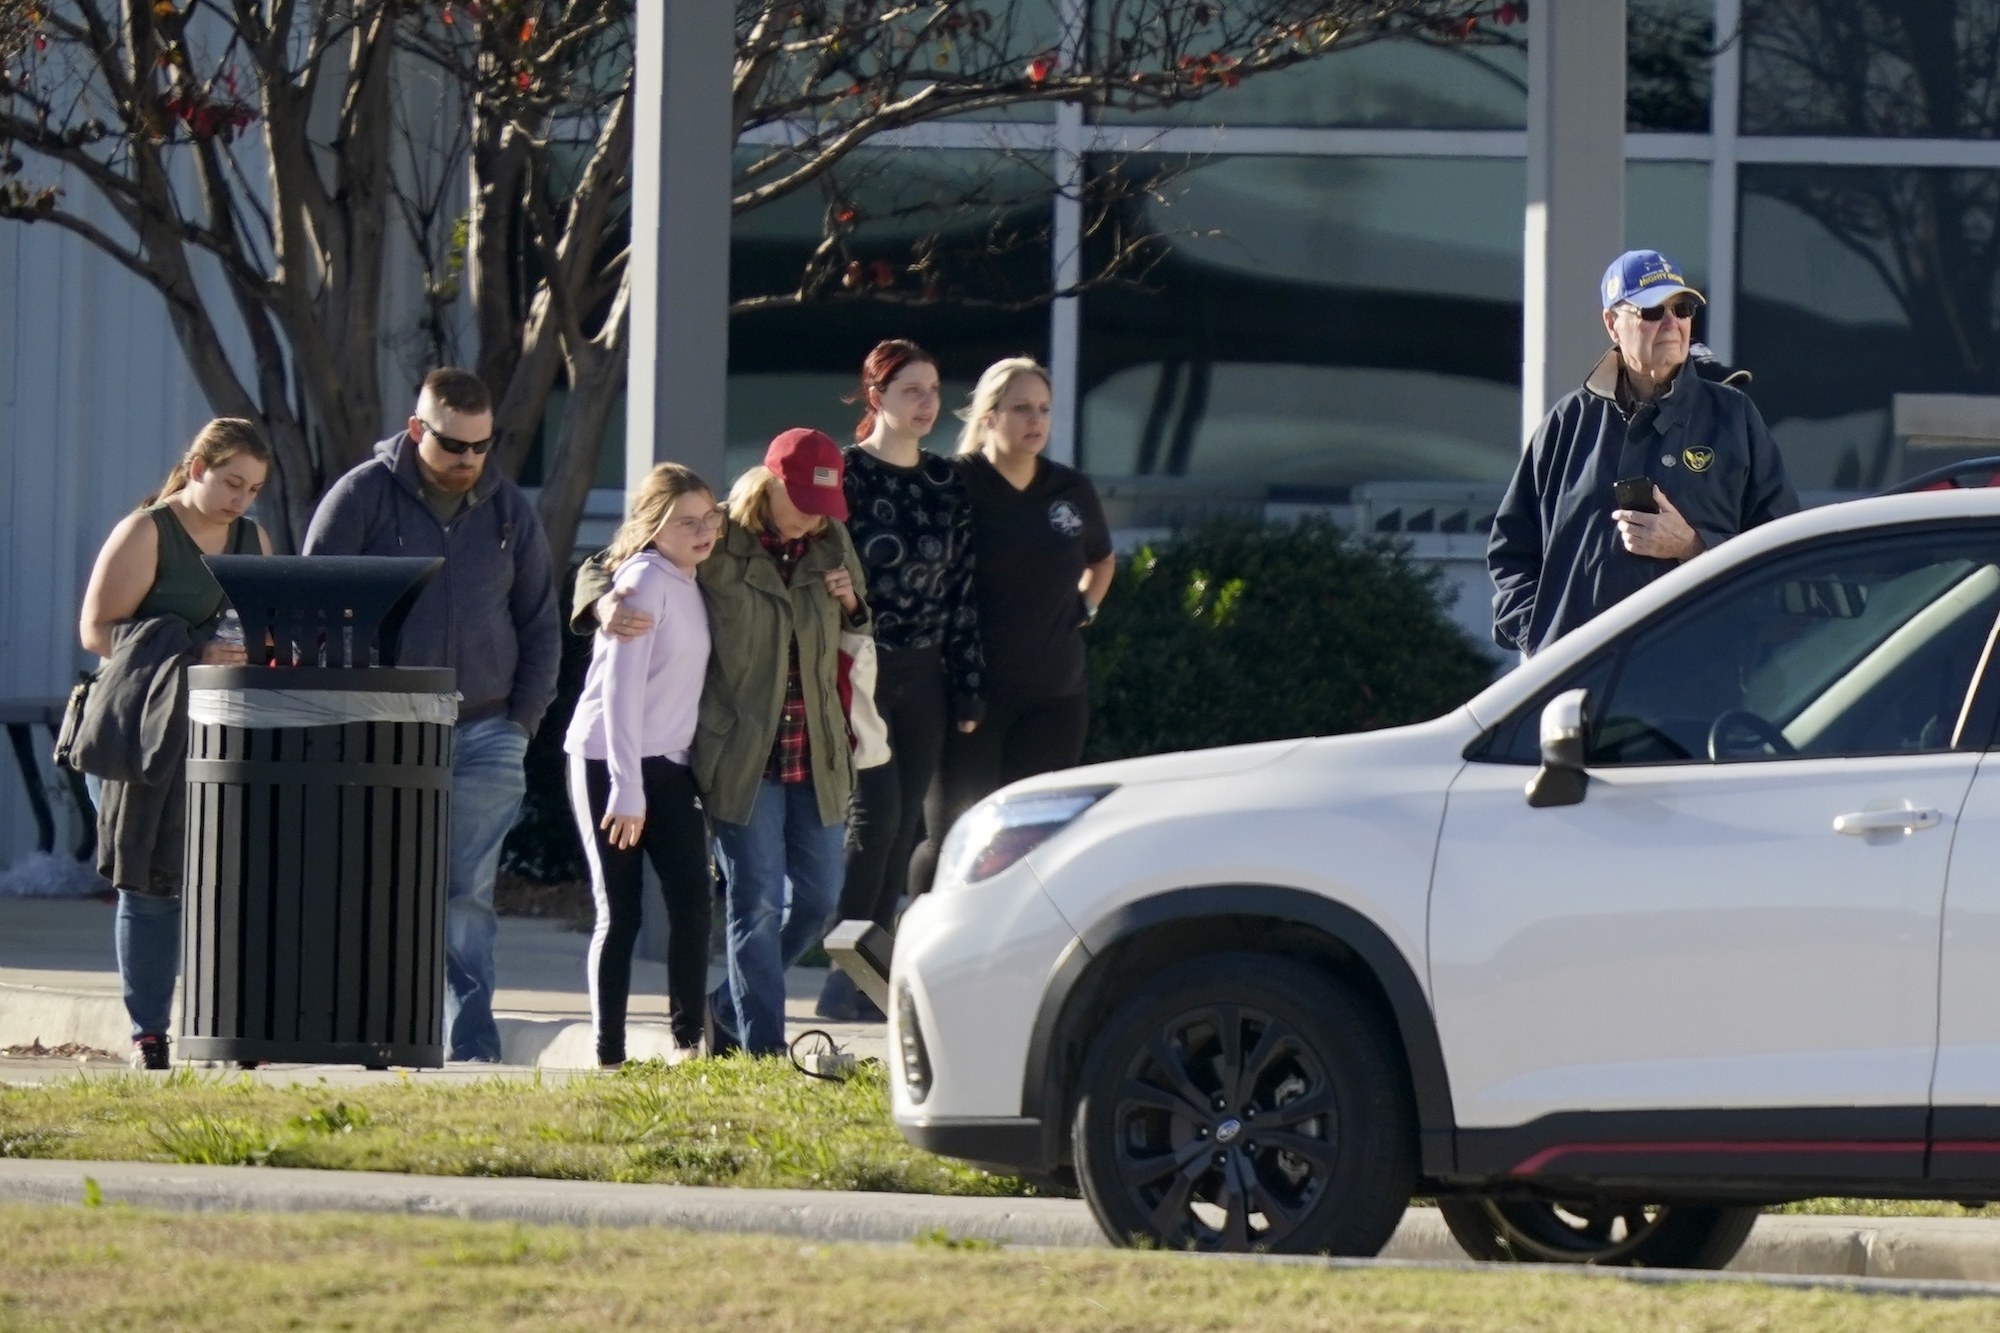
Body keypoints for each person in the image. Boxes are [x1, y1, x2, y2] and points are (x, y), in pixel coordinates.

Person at [575, 429, 871, 1057]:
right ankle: (760, 1049)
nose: (816, 518)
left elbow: (855, 621)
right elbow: (616, 561)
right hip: (741, 755)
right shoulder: (718, 535)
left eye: (827, 505)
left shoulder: (831, 539)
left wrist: (853, 605)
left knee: (818, 901)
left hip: (814, 749)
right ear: (770, 487)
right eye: (804, 503)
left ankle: (723, 1005)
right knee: (756, 902)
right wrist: (601, 605)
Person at [303, 368, 560, 1063]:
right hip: (382, 723)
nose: (469, 460)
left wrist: (520, 722)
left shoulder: (509, 509)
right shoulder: (362, 496)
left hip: (486, 728)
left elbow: (539, 624)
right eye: (454, 445)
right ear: (418, 429)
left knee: (466, 892)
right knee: (378, 882)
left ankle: (468, 1043)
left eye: (483, 446)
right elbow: (310, 610)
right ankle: (373, 1032)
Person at [77, 419, 274, 1069]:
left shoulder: (252, 540)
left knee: (226, 882)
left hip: (221, 726)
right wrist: (190, 649)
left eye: (252, 489)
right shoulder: (147, 531)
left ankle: (227, 1021)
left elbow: (268, 630)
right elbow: (97, 631)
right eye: (230, 482)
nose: (240, 500)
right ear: (196, 468)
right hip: (141, 729)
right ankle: (150, 1031)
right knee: (152, 883)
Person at [1488, 249, 1799, 657]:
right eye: (1652, 311)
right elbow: (1512, 551)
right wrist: (1540, 638)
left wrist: (1693, 545)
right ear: (1612, 324)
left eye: (1682, 308)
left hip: (1697, 685)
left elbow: (1784, 551)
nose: (1672, 323)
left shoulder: (1733, 416)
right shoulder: (1569, 420)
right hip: (1580, 683)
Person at [816, 340, 985, 1022]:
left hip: (924, 670)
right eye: (911, 389)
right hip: (861, 661)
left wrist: (968, 681)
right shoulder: (846, 476)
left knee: (906, 822)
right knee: (875, 817)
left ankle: (869, 975)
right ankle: (844, 972)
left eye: (934, 389)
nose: (927, 402)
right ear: (875, 396)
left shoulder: (948, 482)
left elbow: (964, 590)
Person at [909, 356, 1114, 896]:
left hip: (1056, 698)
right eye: (1021, 408)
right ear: (990, 415)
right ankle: (913, 956)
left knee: (1036, 846)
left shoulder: (1070, 490)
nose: (1036, 420)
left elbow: (1102, 559)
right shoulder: (954, 483)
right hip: (970, 698)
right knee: (954, 840)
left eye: (1044, 409)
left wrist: (1084, 608)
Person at [564, 463, 720, 1068]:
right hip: (610, 760)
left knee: (692, 900)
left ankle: (688, 1047)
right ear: (654, 527)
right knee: (621, 911)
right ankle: (609, 1055)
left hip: (670, 763)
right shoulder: (642, 582)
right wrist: (627, 788)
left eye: (710, 518)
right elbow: (621, 692)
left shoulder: (691, 578)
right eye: (686, 522)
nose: (703, 531)